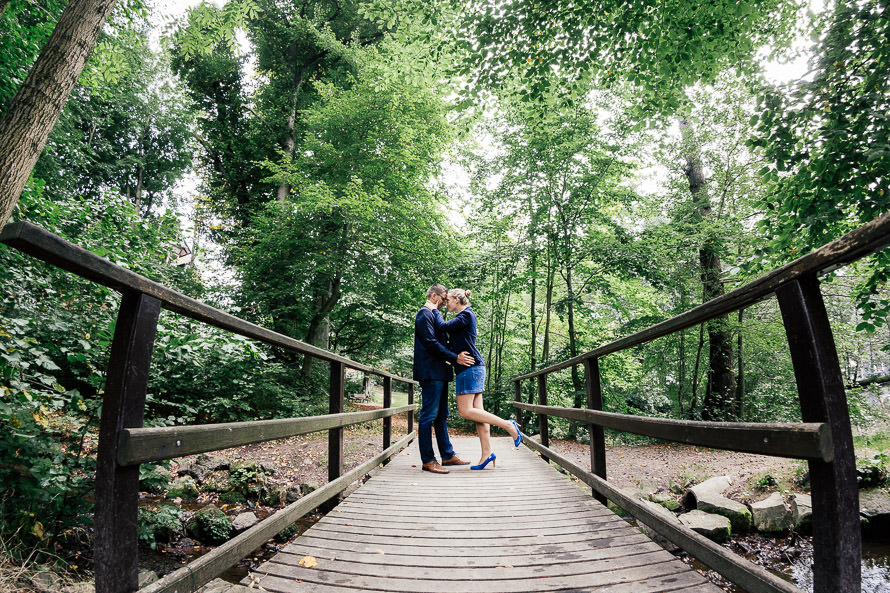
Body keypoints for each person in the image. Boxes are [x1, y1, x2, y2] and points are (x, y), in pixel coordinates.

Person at [440, 288, 522, 470]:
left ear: (456, 299)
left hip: (469, 369)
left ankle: (509, 425)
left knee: (465, 411)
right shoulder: (464, 317)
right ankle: (487, 453)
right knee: (478, 413)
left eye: (448, 300)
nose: (446, 304)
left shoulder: (466, 315)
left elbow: (442, 327)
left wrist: (432, 309)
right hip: (473, 368)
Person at [413, 284, 474, 473]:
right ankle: (428, 460)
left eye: (447, 299)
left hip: (440, 372)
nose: (445, 302)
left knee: (441, 416)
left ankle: (447, 455)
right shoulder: (424, 314)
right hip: (430, 372)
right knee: (428, 415)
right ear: (434, 296)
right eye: (443, 298)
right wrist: (455, 357)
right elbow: (431, 343)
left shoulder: (434, 314)